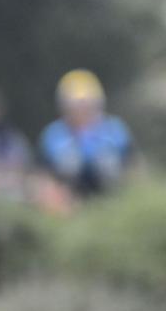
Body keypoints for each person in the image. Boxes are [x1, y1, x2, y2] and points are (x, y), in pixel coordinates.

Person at [35, 69, 134, 214]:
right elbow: (42, 176)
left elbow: (133, 169)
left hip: (113, 201)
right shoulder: (53, 135)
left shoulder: (115, 131)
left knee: (107, 164)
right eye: (75, 105)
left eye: (87, 105)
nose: (81, 111)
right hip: (68, 204)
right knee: (69, 165)